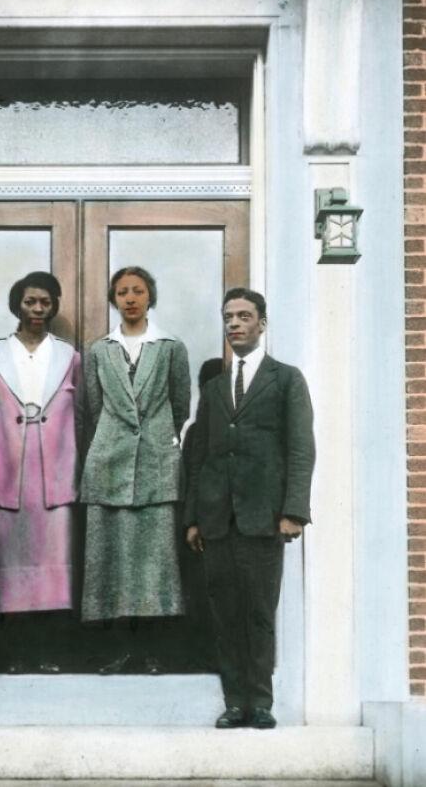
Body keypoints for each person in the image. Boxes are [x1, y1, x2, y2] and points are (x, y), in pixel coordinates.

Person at [184, 288, 315, 729]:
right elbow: (199, 455)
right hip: (218, 521)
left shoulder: (286, 379)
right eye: (228, 317)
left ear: (262, 323)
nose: (234, 324)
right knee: (224, 614)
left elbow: (301, 448)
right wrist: (194, 518)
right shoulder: (215, 387)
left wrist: (294, 509)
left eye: (243, 316)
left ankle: (259, 702)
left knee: (259, 612)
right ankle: (233, 701)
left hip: (264, 519)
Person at [80, 266, 191, 673]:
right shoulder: (99, 350)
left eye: (138, 291)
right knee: (111, 563)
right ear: (113, 298)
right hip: (108, 468)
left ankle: (153, 652)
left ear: (150, 297)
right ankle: (117, 650)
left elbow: (181, 406)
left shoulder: (170, 347)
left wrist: (158, 442)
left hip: (155, 470)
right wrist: (112, 444)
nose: (130, 298)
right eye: (123, 291)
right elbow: (93, 408)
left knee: (154, 565)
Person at [0, 271, 80, 672]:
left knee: (53, 568)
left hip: (55, 473)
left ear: (54, 306)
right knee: (11, 567)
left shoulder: (69, 356)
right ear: (17, 305)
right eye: (30, 302)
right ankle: (15, 654)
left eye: (46, 303)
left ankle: (48, 653)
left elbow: (81, 413)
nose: (38, 309)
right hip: (9, 472)